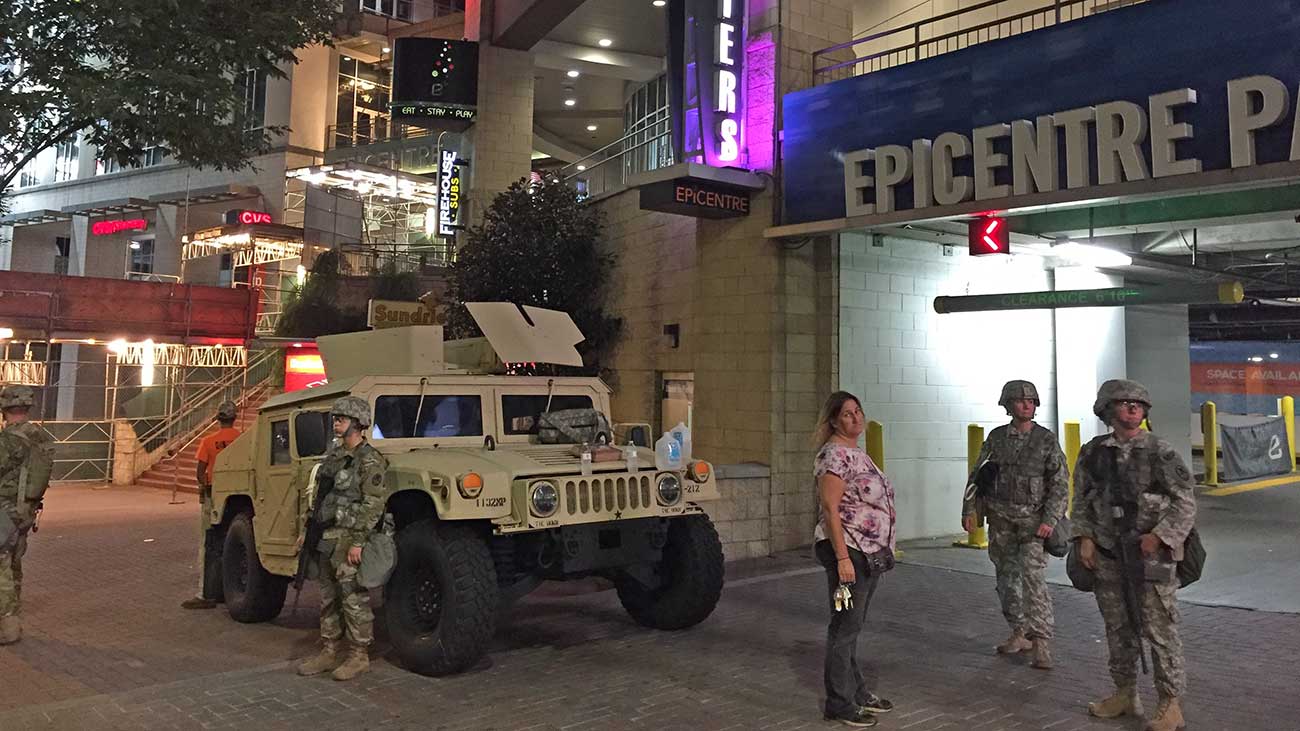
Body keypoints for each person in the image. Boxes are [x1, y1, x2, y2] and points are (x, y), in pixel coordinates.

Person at [1072, 379, 1196, 731]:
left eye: (1137, 404)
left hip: (1150, 559)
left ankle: (1170, 704)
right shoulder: (1094, 452)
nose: (1132, 408)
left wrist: (1159, 536)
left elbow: (1185, 502)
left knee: (1159, 630)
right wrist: (1084, 537)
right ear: (1107, 410)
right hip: (1108, 554)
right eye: (1124, 403)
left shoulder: (1159, 451)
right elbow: (1081, 498)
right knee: (1117, 628)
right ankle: (1125, 693)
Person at [962, 380, 1069, 669]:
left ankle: (1041, 641)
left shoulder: (1045, 440)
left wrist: (1050, 519)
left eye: (1031, 401)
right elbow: (978, 476)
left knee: (1034, 581)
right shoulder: (997, 438)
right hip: (1001, 521)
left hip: (1033, 524)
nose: (1027, 406)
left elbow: (1060, 484)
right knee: (1006, 580)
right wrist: (969, 510)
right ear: (1008, 405)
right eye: (1021, 401)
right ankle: (1019, 632)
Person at [812, 391, 897, 728]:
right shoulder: (833, 456)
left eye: (858, 411)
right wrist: (842, 558)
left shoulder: (856, 453)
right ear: (834, 420)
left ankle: (857, 691)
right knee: (844, 627)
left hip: (868, 553)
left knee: (852, 625)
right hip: (849, 551)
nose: (856, 418)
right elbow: (830, 508)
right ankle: (839, 703)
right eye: (847, 414)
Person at [296, 396, 389, 681]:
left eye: (342, 419)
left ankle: (358, 656)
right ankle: (329, 650)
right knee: (328, 597)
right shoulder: (334, 457)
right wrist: (306, 532)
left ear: (358, 423)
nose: (336, 423)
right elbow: (319, 498)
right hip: (326, 536)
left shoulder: (370, 460)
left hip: (349, 538)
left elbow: (373, 504)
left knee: (353, 598)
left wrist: (358, 541)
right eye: (335, 419)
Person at [0, 385, 54, 645]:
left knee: (2, 569)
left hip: (4, 512)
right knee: (14, 564)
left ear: (5, 408)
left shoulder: (8, 439)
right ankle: (14, 616)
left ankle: (8, 627)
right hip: (26, 511)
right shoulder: (40, 436)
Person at [182, 400, 241, 610]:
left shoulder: (208, 441)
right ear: (235, 418)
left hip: (214, 496)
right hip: (238, 498)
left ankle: (205, 593)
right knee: (231, 544)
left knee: (208, 544)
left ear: (218, 419)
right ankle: (227, 589)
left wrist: (205, 487)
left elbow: (200, 472)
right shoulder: (242, 440)